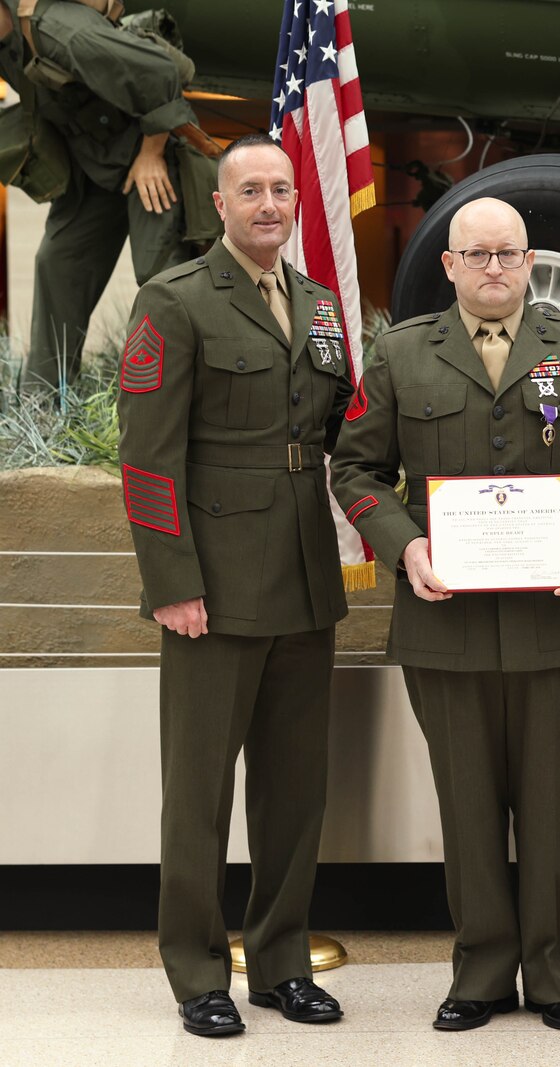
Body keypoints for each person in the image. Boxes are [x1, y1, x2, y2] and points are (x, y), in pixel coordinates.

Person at [329, 197, 560, 1033]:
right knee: (466, 803)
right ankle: (477, 973)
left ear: (531, 258)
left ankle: (552, 975)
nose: (495, 268)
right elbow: (357, 472)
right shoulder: (401, 353)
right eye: (477, 255)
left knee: (550, 805)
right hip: (446, 622)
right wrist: (405, 548)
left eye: (509, 253)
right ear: (449, 265)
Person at [117, 133, 350, 1038]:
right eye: (249, 189)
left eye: (281, 190)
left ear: (297, 204)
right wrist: (171, 582)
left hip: (303, 575)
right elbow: (147, 458)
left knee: (297, 789)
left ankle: (281, 962)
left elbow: (341, 434)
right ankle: (196, 970)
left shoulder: (321, 306)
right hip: (211, 583)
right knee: (201, 786)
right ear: (218, 204)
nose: (268, 204)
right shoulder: (175, 300)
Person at [9, 0, 216, 391]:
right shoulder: (9, 40)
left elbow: (162, 73)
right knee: (57, 262)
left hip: (150, 153)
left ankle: (186, 404)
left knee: (161, 277)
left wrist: (151, 154)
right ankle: (42, 412)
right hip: (94, 167)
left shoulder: (63, 32)